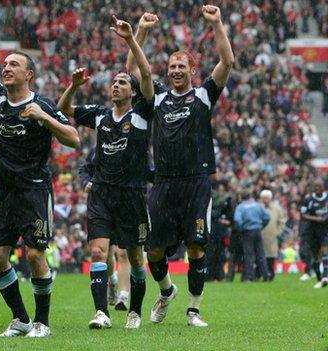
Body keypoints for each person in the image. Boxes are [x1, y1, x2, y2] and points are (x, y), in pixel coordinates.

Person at [0, 0, 80, 337]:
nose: (6, 68)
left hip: (35, 188)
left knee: (36, 255)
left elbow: (74, 139)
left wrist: (44, 117)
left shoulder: (42, 105)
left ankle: (42, 323)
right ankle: (21, 318)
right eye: (5, 64)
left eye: (13, 64)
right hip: (5, 190)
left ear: (29, 74)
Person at [128, 7, 234, 327]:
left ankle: (193, 311)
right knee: (155, 251)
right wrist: (141, 30)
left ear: (192, 69)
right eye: (172, 66)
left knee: (196, 246)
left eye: (181, 66)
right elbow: (133, 71)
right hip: (163, 183)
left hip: (196, 180)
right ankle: (166, 291)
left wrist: (216, 24)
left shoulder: (203, 95)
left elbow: (227, 62)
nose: (175, 70)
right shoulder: (156, 97)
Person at [58, 17, 154, 329]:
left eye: (122, 82)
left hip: (132, 194)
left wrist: (131, 40)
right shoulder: (100, 115)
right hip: (101, 192)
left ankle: (135, 312)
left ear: (133, 90)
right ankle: (101, 312)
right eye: (113, 82)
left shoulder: (141, 113)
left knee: (136, 258)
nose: (116, 85)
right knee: (98, 251)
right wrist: (72, 87)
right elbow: (63, 111)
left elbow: (148, 73)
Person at [79, 151, 131, 311]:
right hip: (101, 206)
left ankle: (123, 296)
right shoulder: (99, 148)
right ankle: (112, 279)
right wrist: (85, 182)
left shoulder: (130, 144)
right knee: (105, 254)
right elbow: (84, 169)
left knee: (123, 253)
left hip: (124, 203)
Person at [234, 190, 271, 282]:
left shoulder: (240, 207)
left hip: (247, 231)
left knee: (249, 255)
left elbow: (237, 220)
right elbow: (267, 216)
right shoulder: (257, 205)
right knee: (261, 254)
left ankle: (250, 277)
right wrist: (262, 226)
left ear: (241, 198)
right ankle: (266, 275)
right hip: (257, 230)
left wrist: (241, 228)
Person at [300, 180, 328, 288]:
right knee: (316, 256)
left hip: (325, 230)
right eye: (315, 186)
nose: (316, 188)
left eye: (318, 186)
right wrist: (317, 219)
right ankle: (319, 279)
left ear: (323, 188)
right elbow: (303, 214)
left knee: (325, 251)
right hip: (312, 231)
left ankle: (325, 275)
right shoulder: (308, 199)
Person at [207, 183, 233, 282]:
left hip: (219, 232)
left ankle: (217, 275)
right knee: (211, 254)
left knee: (220, 254)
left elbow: (230, 217)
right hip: (215, 231)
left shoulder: (227, 201)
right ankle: (212, 276)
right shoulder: (223, 201)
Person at [260, 189, 285, 281]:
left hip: (272, 237)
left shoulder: (277, 209)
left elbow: (282, 222)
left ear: (270, 198)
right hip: (260, 236)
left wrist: (278, 232)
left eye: (267, 198)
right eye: (263, 198)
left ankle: (271, 275)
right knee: (261, 256)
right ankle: (262, 274)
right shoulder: (259, 207)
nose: (265, 200)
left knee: (271, 257)